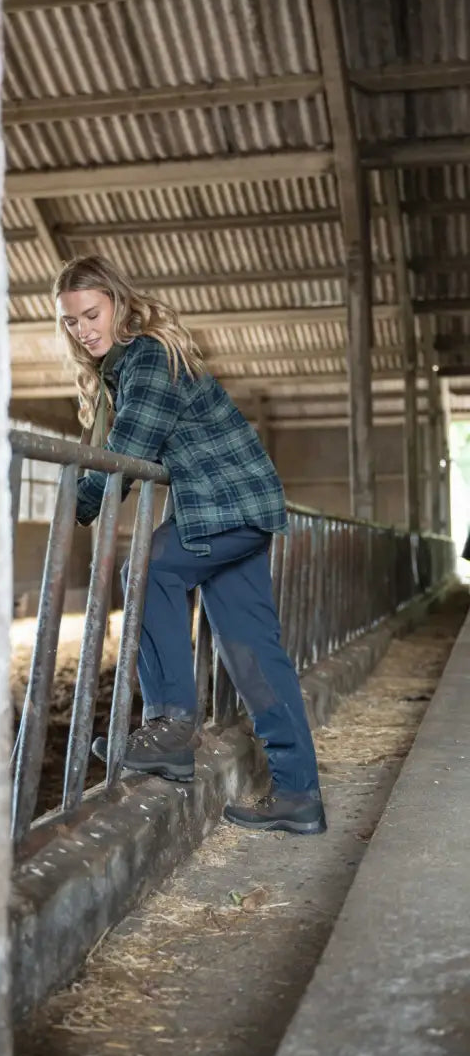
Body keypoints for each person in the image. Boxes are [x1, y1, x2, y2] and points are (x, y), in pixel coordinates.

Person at [52, 254, 325, 836]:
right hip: (230, 509)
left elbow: (128, 452)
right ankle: (299, 794)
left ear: (118, 303)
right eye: (71, 321)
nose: (83, 330)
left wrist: (72, 504)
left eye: (92, 314)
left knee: (147, 570)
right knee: (252, 653)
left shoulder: (149, 356)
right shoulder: (125, 366)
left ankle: (171, 727)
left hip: (222, 506)